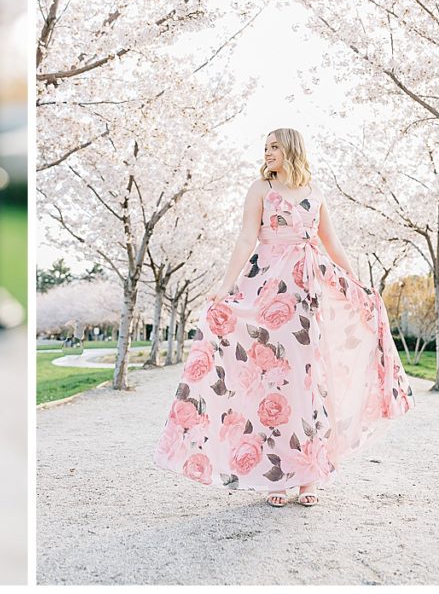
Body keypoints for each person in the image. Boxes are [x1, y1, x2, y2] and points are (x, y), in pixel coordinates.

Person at [153, 127, 414, 507]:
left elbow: (332, 243)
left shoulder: (315, 193)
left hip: (307, 291)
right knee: (274, 380)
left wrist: (356, 282)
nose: (268, 152)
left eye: (274, 146)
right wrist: (226, 288)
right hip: (268, 289)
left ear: (291, 148)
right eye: (265, 147)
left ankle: (309, 474)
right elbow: (246, 238)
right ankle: (275, 476)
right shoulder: (260, 189)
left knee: (308, 381)